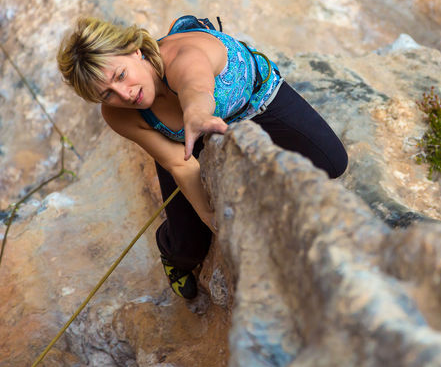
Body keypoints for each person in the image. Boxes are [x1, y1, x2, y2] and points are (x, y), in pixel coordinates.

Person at [57, 16, 348, 299]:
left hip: (257, 103)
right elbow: (178, 163)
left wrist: (195, 114)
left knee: (332, 162)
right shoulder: (117, 113)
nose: (124, 93)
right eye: (106, 94)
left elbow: (195, 88)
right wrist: (211, 219)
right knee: (190, 247)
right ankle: (170, 251)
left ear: (135, 51)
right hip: (187, 140)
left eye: (120, 75)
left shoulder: (182, 55)